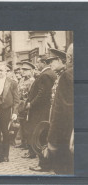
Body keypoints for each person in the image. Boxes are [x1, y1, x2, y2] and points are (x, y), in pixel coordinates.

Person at [44, 44, 74, 174]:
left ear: (68, 58)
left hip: (67, 133)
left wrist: (52, 139)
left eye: (52, 60)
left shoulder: (67, 75)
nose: (50, 63)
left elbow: (62, 111)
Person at [22, 56, 56, 159]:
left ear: (44, 63)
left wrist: (31, 104)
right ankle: (35, 152)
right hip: (42, 108)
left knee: (36, 130)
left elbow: (42, 94)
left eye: (38, 63)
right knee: (38, 130)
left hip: (39, 109)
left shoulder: (45, 75)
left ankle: (35, 153)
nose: (37, 65)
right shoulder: (49, 73)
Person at [0, 64, 19, 164]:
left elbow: (16, 100)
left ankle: (5, 155)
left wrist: (15, 112)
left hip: (6, 110)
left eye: (1, 70)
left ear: (6, 72)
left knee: (6, 132)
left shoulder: (12, 83)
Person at [15, 61, 35, 149]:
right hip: (20, 105)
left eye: (25, 70)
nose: (23, 71)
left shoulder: (32, 81)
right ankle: (23, 142)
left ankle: (28, 144)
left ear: (31, 71)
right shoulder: (22, 80)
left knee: (27, 125)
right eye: (22, 69)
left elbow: (31, 94)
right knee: (22, 123)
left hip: (26, 104)